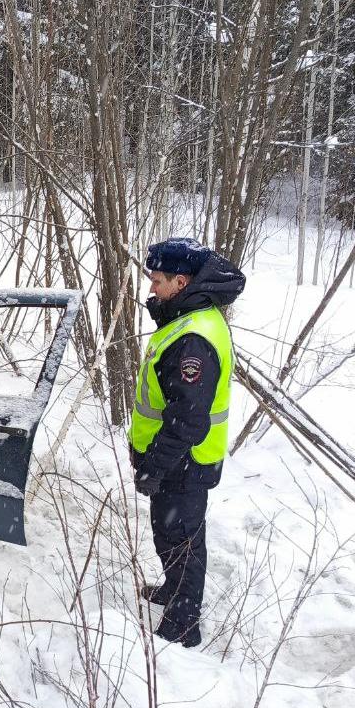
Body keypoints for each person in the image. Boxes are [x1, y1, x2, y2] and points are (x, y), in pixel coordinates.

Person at [129, 237, 245, 648]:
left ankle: (182, 625)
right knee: (171, 534)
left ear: (181, 282)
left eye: (157, 280)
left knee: (182, 540)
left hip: (184, 461)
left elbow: (188, 419)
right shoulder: (187, 319)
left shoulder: (193, 338)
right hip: (179, 460)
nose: (151, 289)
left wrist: (154, 466)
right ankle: (173, 590)